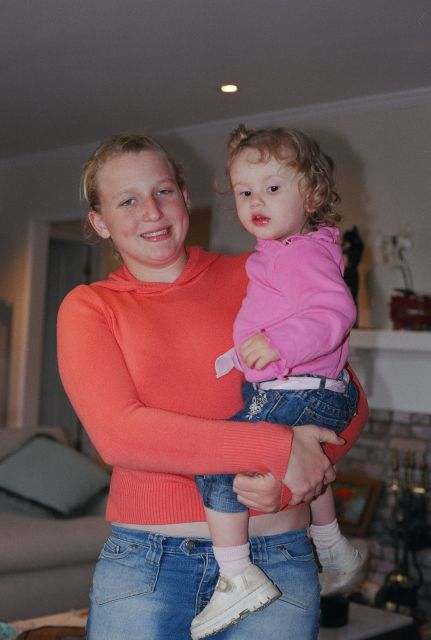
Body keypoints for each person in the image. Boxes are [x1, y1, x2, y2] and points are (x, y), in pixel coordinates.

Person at [57, 132, 368, 640]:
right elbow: (120, 435)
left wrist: (300, 473)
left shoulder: (260, 270)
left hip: (278, 561)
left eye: (163, 191)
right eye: (128, 201)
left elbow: (344, 393)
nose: (152, 212)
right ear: (100, 222)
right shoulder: (90, 307)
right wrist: (278, 448)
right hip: (146, 567)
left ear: (184, 196)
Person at [192, 124, 365, 639]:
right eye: (244, 191)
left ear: (312, 194)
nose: (256, 201)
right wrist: (245, 355)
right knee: (304, 459)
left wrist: (279, 345)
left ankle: (236, 576)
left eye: (272, 187)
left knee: (219, 465)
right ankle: (332, 544)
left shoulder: (298, 253)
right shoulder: (287, 250)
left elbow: (335, 312)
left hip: (297, 388)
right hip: (310, 388)